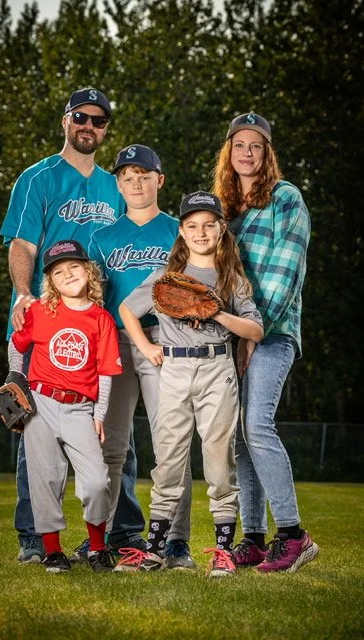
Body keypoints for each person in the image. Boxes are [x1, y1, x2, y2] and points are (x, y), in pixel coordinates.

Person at [0, 87, 126, 563]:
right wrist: (26, 293)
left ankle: (113, 535)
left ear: (105, 128)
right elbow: (23, 246)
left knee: (112, 435)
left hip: (100, 324)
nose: (88, 125)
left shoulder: (116, 185)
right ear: (65, 121)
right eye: (80, 117)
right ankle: (35, 539)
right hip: (44, 322)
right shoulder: (38, 178)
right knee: (34, 433)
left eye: (98, 119)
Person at [117, 191, 264, 577]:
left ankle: (223, 551)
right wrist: (147, 346)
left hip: (217, 368)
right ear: (181, 231)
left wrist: (219, 314)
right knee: (167, 462)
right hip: (175, 371)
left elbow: (255, 329)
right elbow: (127, 310)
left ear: (220, 229)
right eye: (192, 225)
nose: (201, 232)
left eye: (209, 225)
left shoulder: (232, 277)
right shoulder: (166, 277)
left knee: (219, 462)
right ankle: (154, 550)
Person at [70, 144, 195, 570]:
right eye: (127, 176)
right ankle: (98, 539)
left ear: (160, 180)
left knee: (171, 446)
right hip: (116, 346)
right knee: (109, 447)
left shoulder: (181, 232)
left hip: (169, 342)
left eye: (144, 175)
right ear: (118, 184)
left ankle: (177, 542)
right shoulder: (102, 238)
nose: (135, 182)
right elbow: (90, 299)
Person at [213, 112, 318, 573]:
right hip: (232, 336)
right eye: (240, 145)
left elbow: (284, 273)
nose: (247, 153)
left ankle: (293, 536)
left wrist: (253, 335)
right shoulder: (225, 208)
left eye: (256, 146)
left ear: (267, 153)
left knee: (257, 425)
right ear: (229, 152)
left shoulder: (285, 197)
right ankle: (253, 539)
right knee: (239, 438)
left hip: (271, 334)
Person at [7, 239, 122, 573]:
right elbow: (18, 344)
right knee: (45, 478)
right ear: (51, 282)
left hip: (80, 409)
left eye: (74, 266)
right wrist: (16, 377)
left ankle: (98, 548)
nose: (68, 274)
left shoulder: (101, 320)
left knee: (97, 480)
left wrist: (99, 415)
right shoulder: (41, 311)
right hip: (40, 405)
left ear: (88, 271)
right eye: (59, 272)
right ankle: (53, 552)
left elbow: (105, 374)